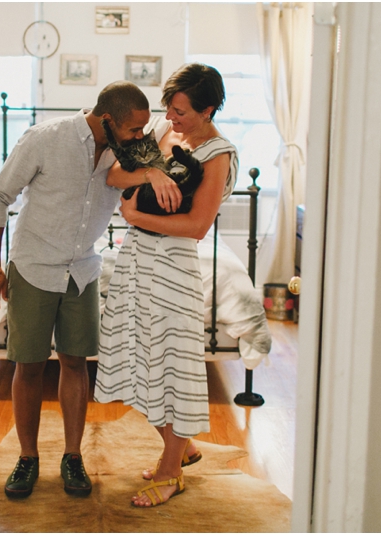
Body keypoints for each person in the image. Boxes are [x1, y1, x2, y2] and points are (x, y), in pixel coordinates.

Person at [0, 81, 150, 499]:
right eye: (134, 129)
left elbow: (165, 164)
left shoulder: (126, 152)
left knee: (76, 362)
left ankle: (73, 457)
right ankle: (27, 458)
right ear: (108, 120)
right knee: (29, 364)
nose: (140, 138)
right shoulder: (45, 139)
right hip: (34, 266)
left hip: (83, 271)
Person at [94, 63, 238, 507]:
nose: (170, 118)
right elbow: (113, 175)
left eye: (180, 111)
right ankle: (185, 447)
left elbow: (196, 226)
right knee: (135, 357)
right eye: (169, 109)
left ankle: (171, 470)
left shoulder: (218, 154)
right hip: (137, 258)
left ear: (207, 109)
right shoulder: (159, 130)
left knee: (171, 362)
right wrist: (152, 174)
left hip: (174, 264)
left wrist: (136, 217)